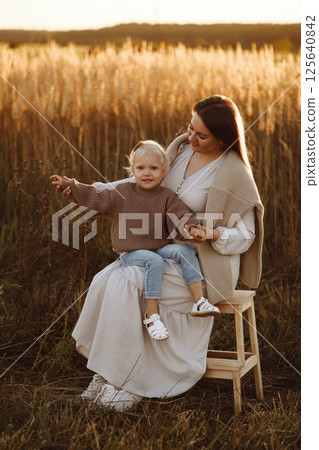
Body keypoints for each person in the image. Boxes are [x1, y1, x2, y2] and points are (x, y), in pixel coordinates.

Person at [58, 94, 264, 411]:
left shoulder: (234, 173)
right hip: (161, 251)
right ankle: (106, 372)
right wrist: (85, 189)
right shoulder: (179, 151)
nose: (191, 137)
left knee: (128, 281)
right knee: (106, 278)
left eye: (201, 135)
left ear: (222, 138)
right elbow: (136, 181)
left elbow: (246, 235)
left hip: (203, 266)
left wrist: (213, 233)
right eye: (190, 128)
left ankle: (126, 381)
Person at [51, 140, 220, 343]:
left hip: (159, 247)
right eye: (140, 168)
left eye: (153, 168)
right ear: (132, 171)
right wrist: (70, 186)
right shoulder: (122, 192)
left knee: (184, 251)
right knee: (153, 261)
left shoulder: (167, 196)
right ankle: (152, 316)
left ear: (163, 171)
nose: (147, 173)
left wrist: (192, 229)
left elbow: (181, 215)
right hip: (132, 252)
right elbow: (95, 196)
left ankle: (199, 301)